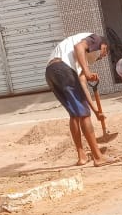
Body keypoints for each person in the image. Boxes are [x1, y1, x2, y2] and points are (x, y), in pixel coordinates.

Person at [45, 33, 117, 167]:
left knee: (75, 114)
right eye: (103, 54)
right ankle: (98, 157)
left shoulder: (80, 59)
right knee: (84, 115)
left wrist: (95, 111)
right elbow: (79, 47)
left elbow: (83, 85)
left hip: (51, 72)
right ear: (104, 46)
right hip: (63, 69)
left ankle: (82, 156)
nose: (100, 57)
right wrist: (88, 71)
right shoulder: (96, 38)